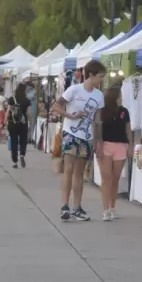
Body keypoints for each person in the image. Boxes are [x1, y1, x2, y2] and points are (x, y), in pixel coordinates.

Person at [52, 60, 106, 221]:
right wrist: (71, 116)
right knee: (68, 169)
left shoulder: (99, 95)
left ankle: (77, 206)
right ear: (90, 75)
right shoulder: (74, 90)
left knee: (80, 172)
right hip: (71, 133)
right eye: (100, 76)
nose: (101, 80)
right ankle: (64, 205)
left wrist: (98, 140)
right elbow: (56, 106)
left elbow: (98, 119)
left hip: (87, 136)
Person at [97, 87, 133, 221]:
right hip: (105, 145)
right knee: (106, 178)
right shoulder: (101, 111)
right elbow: (97, 128)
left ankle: (112, 207)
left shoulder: (124, 111)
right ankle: (105, 209)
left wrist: (130, 146)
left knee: (115, 178)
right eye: (119, 97)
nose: (121, 99)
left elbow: (128, 129)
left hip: (121, 145)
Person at [6, 83, 31, 168]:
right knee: (23, 140)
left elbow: (8, 111)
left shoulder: (11, 99)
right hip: (23, 123)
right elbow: (29, 113)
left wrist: (4, 121)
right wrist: (29, 122)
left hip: (13, 123)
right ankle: (22, 155)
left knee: (14, 141)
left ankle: (15, 162)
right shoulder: (27, 100)